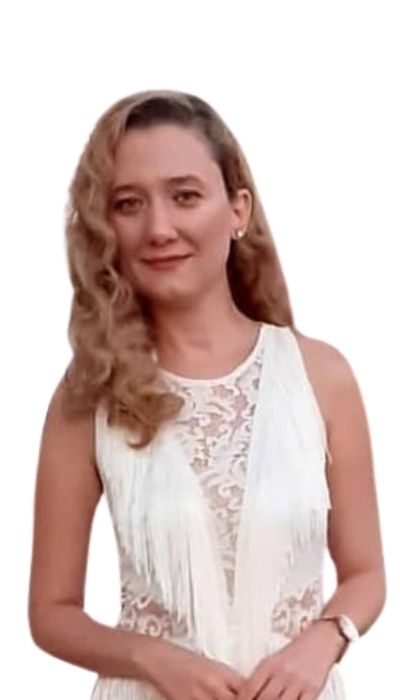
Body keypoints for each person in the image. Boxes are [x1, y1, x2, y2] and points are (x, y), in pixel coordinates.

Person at [28, 90, 386, 700]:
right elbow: (51, 612)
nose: (158, 228)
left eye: (185, 196)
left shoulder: (321, 376)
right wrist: (151, 658)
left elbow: (366, 572)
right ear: (107, 227)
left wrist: (322, 641)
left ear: (238, 209)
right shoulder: (89, 393)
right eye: (128, 204)